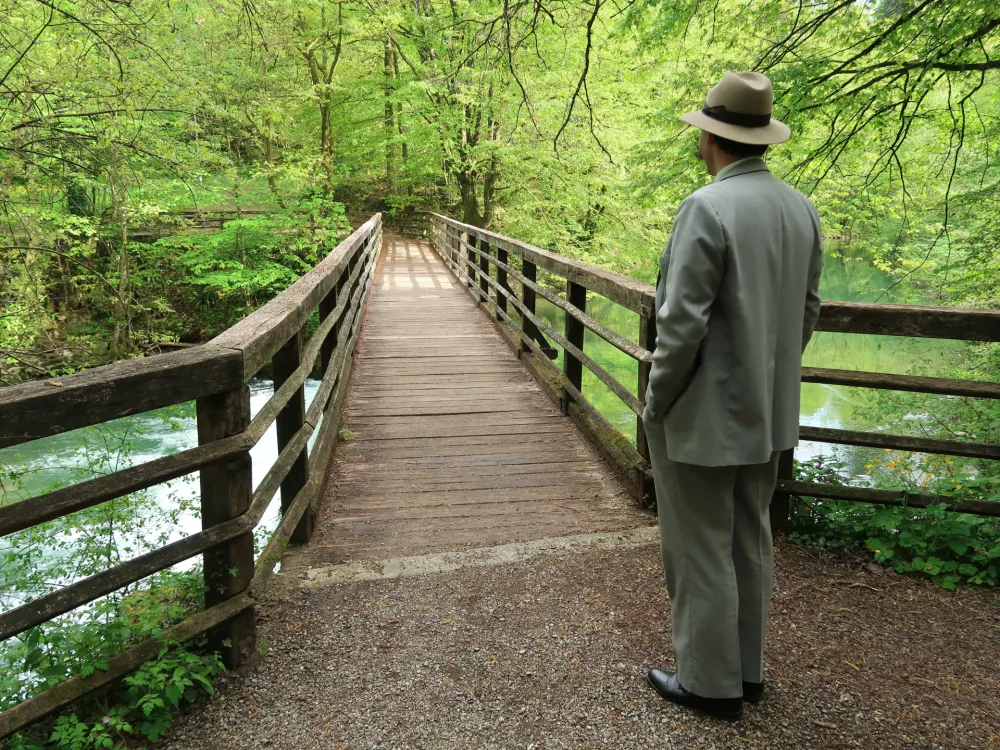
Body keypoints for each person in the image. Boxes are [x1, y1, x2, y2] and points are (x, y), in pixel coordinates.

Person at [642, 71, 824, 721]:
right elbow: (806, 311)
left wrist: (657, 400)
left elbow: (681, 323)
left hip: (702, 416)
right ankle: (746, 673)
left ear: (713, 138)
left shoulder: (707, 208)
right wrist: (767, 375)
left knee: (700, 547)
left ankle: (708, 684)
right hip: (768, 413)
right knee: (750, 539)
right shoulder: (799, 208)